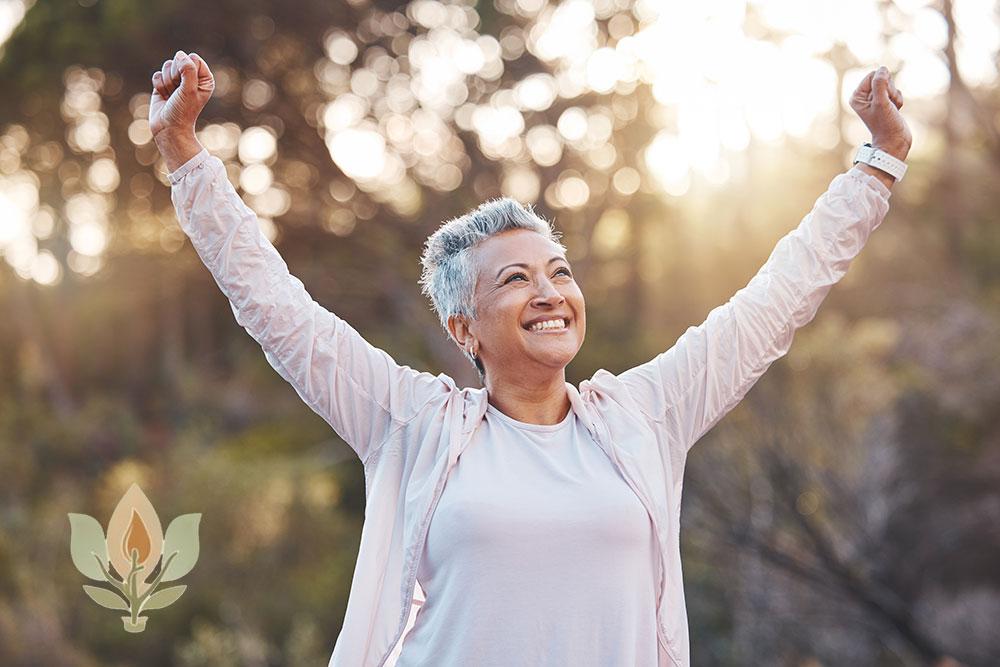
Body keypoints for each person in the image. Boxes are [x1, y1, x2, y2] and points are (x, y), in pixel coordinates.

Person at [151, 50, 911, 667]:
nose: (550, 293)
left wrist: (879, 165)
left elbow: (775, 301)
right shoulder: (411, 423)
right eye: (515, 279)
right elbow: (278, 309)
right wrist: (184, 155)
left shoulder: (645, 417)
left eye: (559, 272)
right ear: (464, 328)